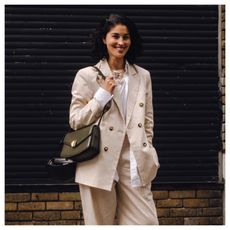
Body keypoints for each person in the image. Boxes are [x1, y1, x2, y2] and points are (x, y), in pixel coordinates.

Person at [69, 13, 160, 225]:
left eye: (126, 37)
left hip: (134, 161)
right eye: (115, 36)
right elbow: (75, 120)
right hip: (98, 161)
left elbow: (148, 120)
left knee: (145, 222)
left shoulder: (143, 76)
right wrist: (101, 96)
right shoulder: (87, 75)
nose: (121, 42)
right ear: (104, 39)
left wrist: (147, 148)